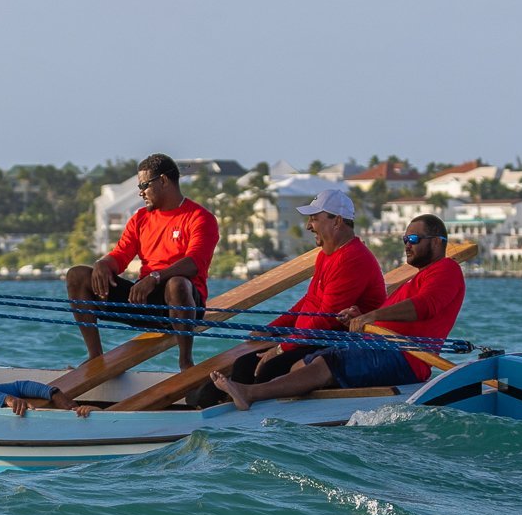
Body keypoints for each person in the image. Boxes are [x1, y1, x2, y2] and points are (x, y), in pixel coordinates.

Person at [210, 214, 465, 410]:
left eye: (413, 240)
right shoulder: (417, 278)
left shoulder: (447, 270)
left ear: (436, 242)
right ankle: (276, 405)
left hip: (406, 358)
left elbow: (425, 306)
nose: (407, 245)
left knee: (325, 364)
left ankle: (250, 394)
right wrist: (359, 316)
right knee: (301, 364)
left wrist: (372, 316)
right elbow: (387, 314)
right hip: (378, 347)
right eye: (404, 240)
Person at [194, 189, 385, 406]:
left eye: (314, 218)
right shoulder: (327, 255)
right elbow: (308, 301)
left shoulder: (352, 258)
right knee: (243, 364)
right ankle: (219, 401)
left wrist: (281, 348)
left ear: (337, 221)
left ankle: (238, 406)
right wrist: (272, 329)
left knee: (267, 366)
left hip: (333, 342)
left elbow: (325, 320)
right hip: (309, 339)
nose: (308, 226)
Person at [64, 153, 219, 369]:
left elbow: (194, 263)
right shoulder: (140, 218)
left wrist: (155, 277)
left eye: (144, 185)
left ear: (163, 181)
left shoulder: (200, 217)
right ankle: (95, 357)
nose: (140, 192)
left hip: (183, 303)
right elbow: (121, 255)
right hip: (144, 299)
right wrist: (103, 264)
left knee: (177, 283)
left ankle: (185, 362)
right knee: (77, 275)